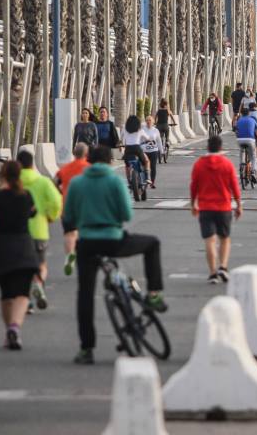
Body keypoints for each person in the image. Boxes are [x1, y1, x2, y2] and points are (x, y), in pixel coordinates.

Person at [66, 145, 166, 365]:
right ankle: (154, 294)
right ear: (111, 162)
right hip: (113, 240)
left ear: (89, 162)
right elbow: (126, 213)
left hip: (87, 243)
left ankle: (86, 348)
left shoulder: (77, 183)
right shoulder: (115, 181)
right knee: (152, 244)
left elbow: (69, 216)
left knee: (85, 295)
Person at [0, 161, 39, 350]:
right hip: (24, 248)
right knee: (22, 293)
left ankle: (8, 332)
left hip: (1, 249)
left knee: (6, 294)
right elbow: (33, 212)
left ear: (2, 175)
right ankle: (15, 328)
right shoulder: (26, 196)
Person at [190, 135, 242, 284]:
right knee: (224, 238)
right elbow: (234, 186)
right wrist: (239, 205)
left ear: (207, 147)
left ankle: (213, 272)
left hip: (206, 207)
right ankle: (223, 267)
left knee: (210, 240)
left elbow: (194, 186)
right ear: (221, 148)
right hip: (224, 207)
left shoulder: (199, 164)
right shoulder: (227, 164)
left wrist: (193, 203)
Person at [17, 149, 62, 311]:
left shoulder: (13, 182)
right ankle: (38, 283)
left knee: (22, 268)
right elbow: (57, 201)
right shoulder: (43, 181)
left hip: (17, 233)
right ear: (32, 164)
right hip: (39, 231)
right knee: (41, 265)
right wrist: (51, 216)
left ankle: (26, 301)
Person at [55, 143, 90, 276]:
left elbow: (54, 182)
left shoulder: (65, 168)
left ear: (74, 154)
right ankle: (84, 260)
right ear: (86, 154)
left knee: (70, 234)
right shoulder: (88, 168)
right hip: (84, 207)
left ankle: (70, 255)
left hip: (67, 206)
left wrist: (61, 192)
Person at [235, 105, 257, 186]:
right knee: (254, 157)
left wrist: (239, 138)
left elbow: (236, 131)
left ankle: (241, 166)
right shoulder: (252, 120)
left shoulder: (239, 120)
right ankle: (253, 172)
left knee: (242, 152)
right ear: (248, 113)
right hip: (250, 140)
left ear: (241, 113)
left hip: (240, 140)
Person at [140, 116, 164, 188]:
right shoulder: (142, 130)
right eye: (147, 120)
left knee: (153, 167)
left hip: (154, 151)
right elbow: (139, 140)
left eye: (150, 120)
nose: (148, 122)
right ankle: (145, 181)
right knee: (144, 167)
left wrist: (161, 151)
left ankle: (152, 182)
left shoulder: (156, 130)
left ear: (153, 122)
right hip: (144, 151)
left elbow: (159, 141)